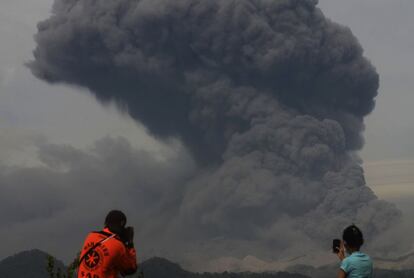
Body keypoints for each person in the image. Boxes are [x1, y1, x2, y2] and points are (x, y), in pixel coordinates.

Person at [77, 210, 138, 278]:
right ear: (122, 224)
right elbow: (131, 269)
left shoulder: (90, 236)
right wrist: (129, 244)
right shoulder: (119, 246)